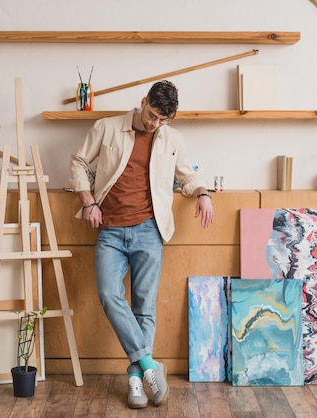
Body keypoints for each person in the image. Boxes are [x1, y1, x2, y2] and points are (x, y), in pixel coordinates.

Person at [69, 80, 214, 409]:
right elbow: (78, 162)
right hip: (110, 229)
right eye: (152, 115)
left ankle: (136, 381)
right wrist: (89, 201)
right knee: (108, 294)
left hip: (150, 230)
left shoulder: (171, 138)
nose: (155, 124)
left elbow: (187, 175)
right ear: (143, 101)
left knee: (144, 308)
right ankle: (150, 365)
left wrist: (203, 194)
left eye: (163, 120)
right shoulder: (107, 128)